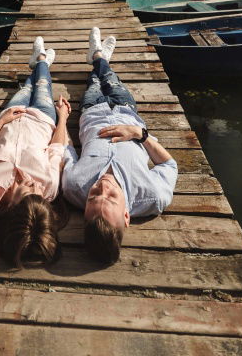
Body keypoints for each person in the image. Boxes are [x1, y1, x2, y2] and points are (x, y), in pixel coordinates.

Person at [62, 27, 178, 265]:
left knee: (94, 82)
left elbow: (66, 150)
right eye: (112, 196)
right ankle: (99, 57)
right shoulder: (153, 197)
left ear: (84, 211)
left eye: (93, 195)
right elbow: (168, 164)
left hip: (92, 111)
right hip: (127, 112)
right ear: (126, 216)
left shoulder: (73, 188)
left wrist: (62, 119)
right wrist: (140, 134)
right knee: (110, 79)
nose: (103, 187)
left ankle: (98, 58)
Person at [0, 36, 71, 267]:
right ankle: (42, 60)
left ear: (10, 210)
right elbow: (56, 149)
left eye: (29, 193)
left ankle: (39, 62)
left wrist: (1, 122)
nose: (36, 187)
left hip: (11, 115)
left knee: (27, 86)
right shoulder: (49, 188)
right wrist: (63, 117)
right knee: (43, 86)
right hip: (43, 118)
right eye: (41, 197)